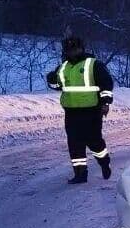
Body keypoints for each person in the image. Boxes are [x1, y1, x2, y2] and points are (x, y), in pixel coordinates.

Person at [46, 36, 114, 184]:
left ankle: (104, 162)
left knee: (94, 141)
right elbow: (58, 86)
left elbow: (106, 84)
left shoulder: (93, 64)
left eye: (74, 48)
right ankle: (80, 174)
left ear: (81, 48)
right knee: (74, 143)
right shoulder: (64, 67)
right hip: (71, 112)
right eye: (69, 49)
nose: (71, 51)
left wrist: (105, 102)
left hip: (92, 111)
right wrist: (51, 80)